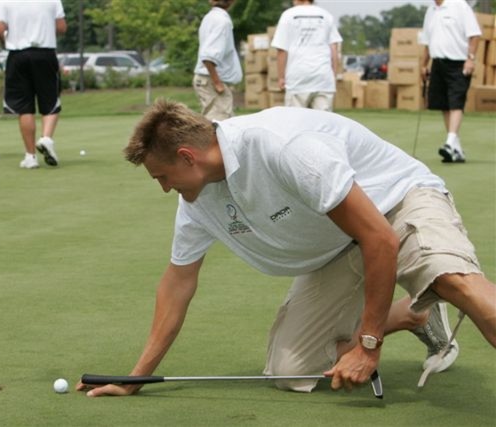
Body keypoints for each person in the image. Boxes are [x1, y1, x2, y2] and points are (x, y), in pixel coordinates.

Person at [76, 100, 495, 397]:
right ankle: (416, 313)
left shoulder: (283, 146)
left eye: (162, 177)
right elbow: (177, 283)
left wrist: (369, 344)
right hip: (337, 244)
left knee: (459, 285)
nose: (165, 188)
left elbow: (380, 238)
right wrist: (137, 377)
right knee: (289, 371)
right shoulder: (197, 201)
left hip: (396, 204)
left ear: (188, 156)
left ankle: (431, 292)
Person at [0, 0, 66, 169]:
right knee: (51, 100)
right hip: (45, 53)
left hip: (18, 55)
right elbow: (61, 27)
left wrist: (4, 42)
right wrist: (45, 30)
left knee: (24, 107)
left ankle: (30, 156)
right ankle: (46, 138)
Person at [420, 0, 482, 163]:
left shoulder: (459, 6)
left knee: (456, 101)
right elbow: (427, 42)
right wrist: (423, 64)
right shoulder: (431, 11)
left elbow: (474, 35)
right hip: (437, 63)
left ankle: (449, 143)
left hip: (459, 63)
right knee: (444, 105)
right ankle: (456, 149)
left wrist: (471, 59)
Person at [270, 0, 342, 111]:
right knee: (323, 124)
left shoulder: (288, 15)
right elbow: (334, 47)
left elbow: (281, 49)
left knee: (296, 124)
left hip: (297, 77)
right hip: (322, 77)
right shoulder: (325, 15)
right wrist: (333, 74)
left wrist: (281, 77)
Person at [193, 0, 243, 121]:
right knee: (219, 125)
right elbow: (208, 57)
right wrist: (217, 83)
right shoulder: (222, 22)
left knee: (218, 124)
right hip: (212, 80)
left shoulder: (210, 17)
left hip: (206, 79)